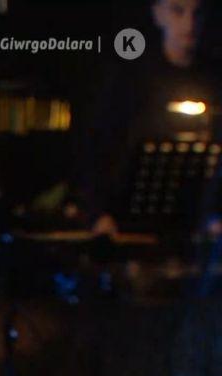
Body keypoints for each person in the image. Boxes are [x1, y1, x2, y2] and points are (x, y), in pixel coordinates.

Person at [76, 0, 220, 235]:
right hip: (129, 223)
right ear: (158, 14)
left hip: (196, 225)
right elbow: (97, 150)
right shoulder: (130, 80)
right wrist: (98, 214)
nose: (189, 24)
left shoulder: (214, 80)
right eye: (178, 11)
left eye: (197, 14)